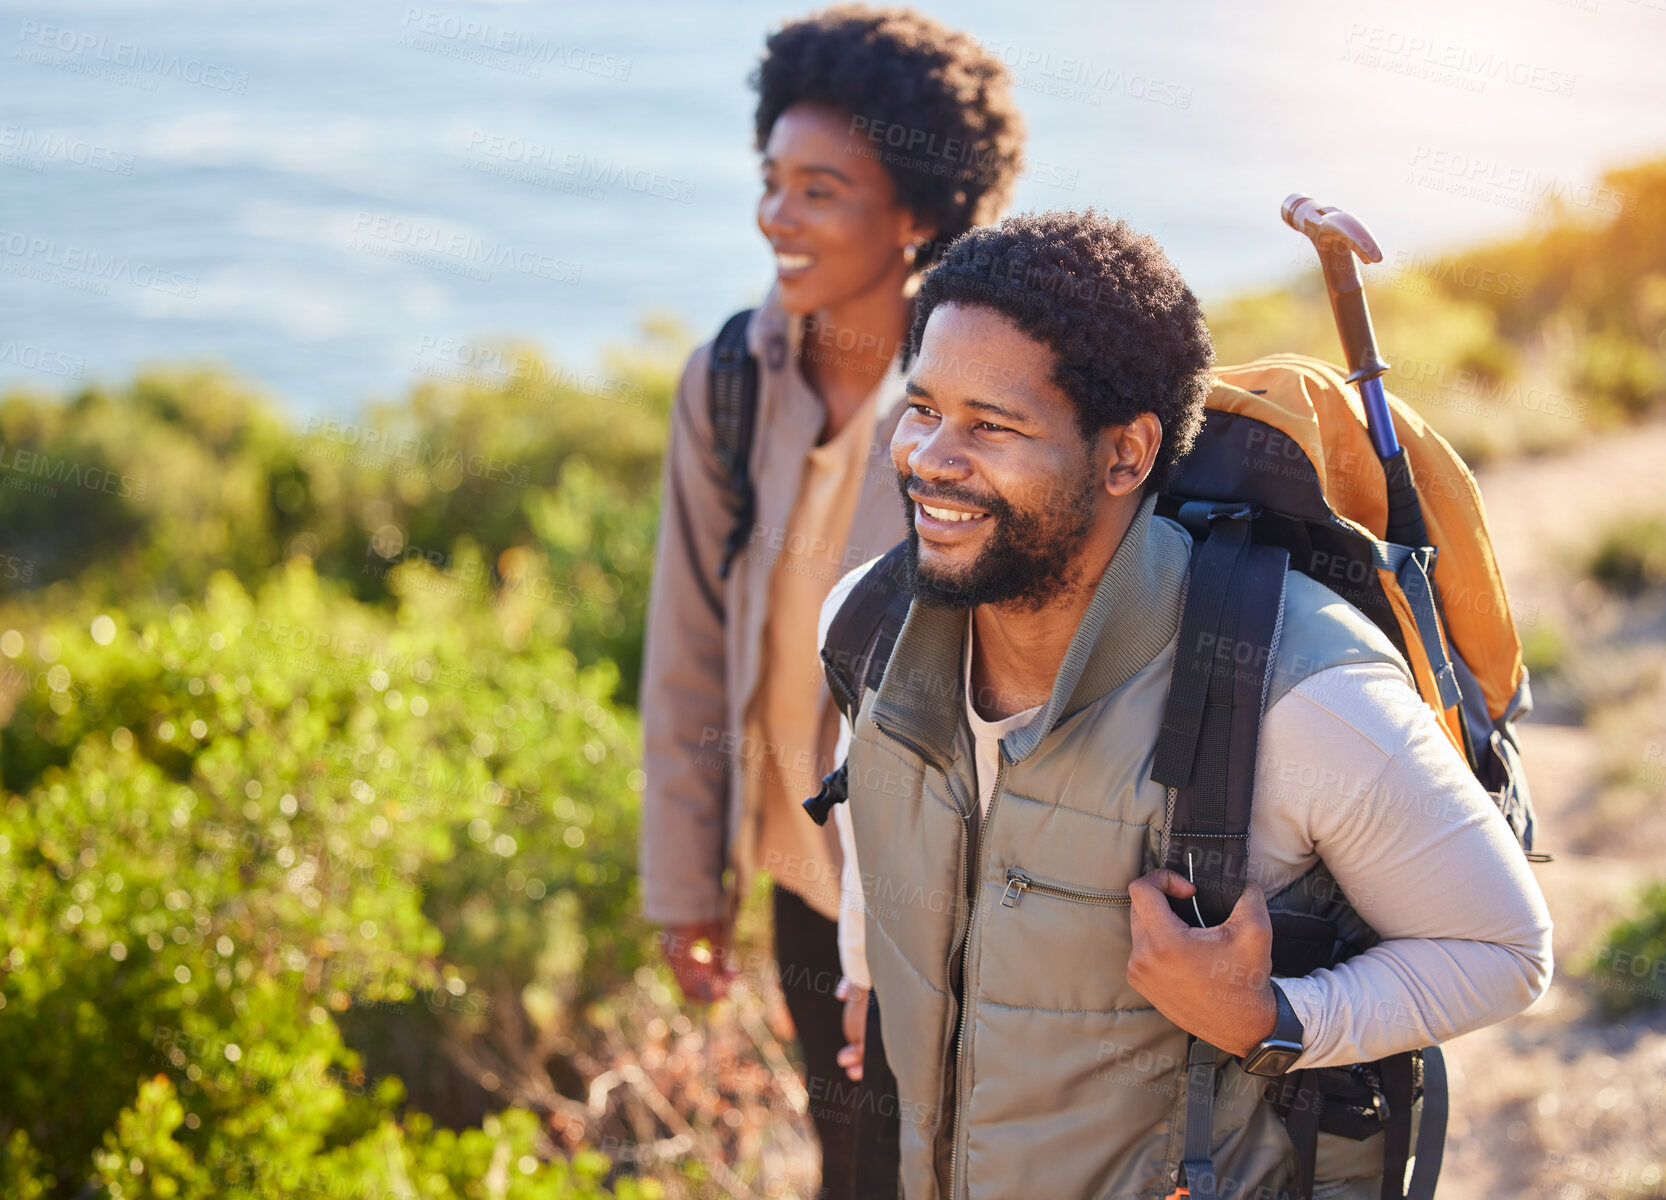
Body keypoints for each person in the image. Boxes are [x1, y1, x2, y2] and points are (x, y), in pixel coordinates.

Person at [821, 209, 1554, 1199]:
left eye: (990, 425)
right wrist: (869, 968)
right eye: (923, 409)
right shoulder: (868, 621)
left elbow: (1504, 950)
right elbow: (882, 800)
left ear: (1125, 456)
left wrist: (1267, 1018)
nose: (930, 459)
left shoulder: (1301, 691)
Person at [637, 8, 1024, 1195]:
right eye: (771, 182)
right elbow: (688, 647)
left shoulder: (986, 394)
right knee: (851, 1165)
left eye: (820, 189)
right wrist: (683, 882)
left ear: (916, 213)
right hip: (805, 879)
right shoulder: (730, 382)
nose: (777, 216)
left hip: (951, 891)